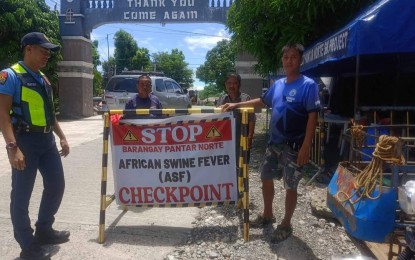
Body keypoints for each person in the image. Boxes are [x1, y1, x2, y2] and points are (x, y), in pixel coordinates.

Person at [221, 43, 321, 243]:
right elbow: (262, 101)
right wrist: (236, 104)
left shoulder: (308, 85)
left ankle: (286, 224)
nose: (288, 60)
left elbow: (313, 116)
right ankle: (268, 215)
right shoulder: (278, 84)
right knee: (266, 178)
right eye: (285, 57)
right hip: (274, 144)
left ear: (300, 60)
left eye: (293, 57)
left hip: (294, 146)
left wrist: (306, 146)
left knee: (290, 185)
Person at [0, 32, 70, 259]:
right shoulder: (10, 75)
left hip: (47, 141)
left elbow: (50, 114)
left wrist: (61, 136)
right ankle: (27, 244)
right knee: (21, 195)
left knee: (56, 185)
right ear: (28, 49)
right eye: (43, 50)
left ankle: (44, 230)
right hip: (25, 142)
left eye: (49, 52)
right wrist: (12, 147)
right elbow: (2, 114)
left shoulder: (43, 78)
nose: (47, 55)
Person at [216, 72, 256, 162]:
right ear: (225, 85)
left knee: (242, 165)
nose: (231, 86)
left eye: (234, 83)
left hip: (241, 138)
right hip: (225, 139)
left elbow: (252, 119)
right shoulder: (222, 99)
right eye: (229, 83)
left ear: (239, 84)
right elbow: (216, 118)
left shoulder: (245, 99)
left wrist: (250, 137)